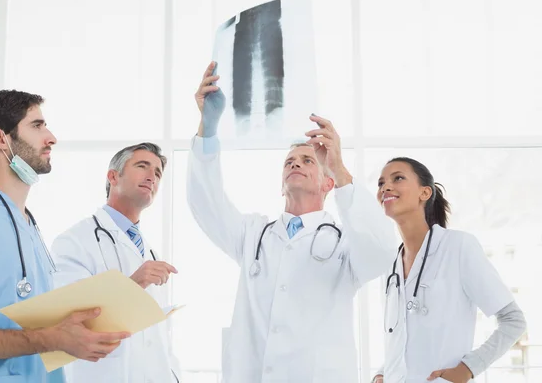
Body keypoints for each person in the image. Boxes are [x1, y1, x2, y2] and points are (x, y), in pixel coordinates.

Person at [187, 62, 397, 383]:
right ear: (281, 182)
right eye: (290, 161)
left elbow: (383, 251)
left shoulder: (345, 244)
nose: (295, 163)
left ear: (328, 184)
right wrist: (208, 127)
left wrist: (339, 168)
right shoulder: (253, 235)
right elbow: (206, 202)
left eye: (308, 160)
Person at [0, 90, 130, 383]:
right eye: (37, 125)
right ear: (0, 139)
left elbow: (42, 330)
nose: (51, 137)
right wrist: (49, 338)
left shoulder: (29, 225)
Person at [373, 157, 527, 383]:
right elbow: (404, 336)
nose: (386, 187)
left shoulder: (458, 247)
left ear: (424, 193)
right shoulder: (391, 265)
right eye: (380, 183)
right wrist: (382, 372)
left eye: (398, 178)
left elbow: (514, 321)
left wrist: (467, 369)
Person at [51, 142, 181, 383]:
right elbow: (68, 321)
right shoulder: (74, 241)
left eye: (158, 173)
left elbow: (157, 339)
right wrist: (133, 284)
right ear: (113, 176)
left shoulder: (149, 251)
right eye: (142, 166)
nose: (152, 176)